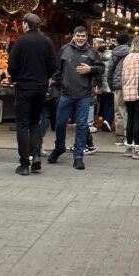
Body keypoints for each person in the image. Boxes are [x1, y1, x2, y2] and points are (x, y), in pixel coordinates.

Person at [7, 12, 58, 176]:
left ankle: (24, 163)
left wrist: (16, 78)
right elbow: (53, 65)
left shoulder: (20, 42)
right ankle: (36, 155)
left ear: (25, 25)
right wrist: (45, 77)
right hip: (41, 87)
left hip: (24, 86)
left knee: (22, 123)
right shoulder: (47, 41)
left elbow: (12, 65)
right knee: (35, 121)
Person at [48, 27, 103, 170]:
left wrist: (90, 69)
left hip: (84, 95)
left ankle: (78, 157)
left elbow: (101, 68)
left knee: (81, 126)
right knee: (59, 124)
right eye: (78, 35)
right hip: (66, 94)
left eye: (83, 36)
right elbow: (58, 69)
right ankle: (59, 147)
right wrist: (55, 81)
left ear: (87, 37)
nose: (80, 38)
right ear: (73, 36)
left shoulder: (92, 51)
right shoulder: (65, 49)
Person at [121, 35, 139, 159]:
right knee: (138, 120)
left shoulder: (127, 57)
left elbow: (122, 77)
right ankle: (137, 149)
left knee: (131, 120)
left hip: (127, 92)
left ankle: (128, 147)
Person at [106, 31, 130, 144]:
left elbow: (110, 69)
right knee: (130, 110)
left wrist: (110, 85)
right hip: (130, 84)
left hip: (118, 84)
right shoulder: (132, 52)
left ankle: (120, 136)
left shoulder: (114, 52)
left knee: (119, 111)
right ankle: (130, 135)